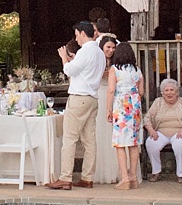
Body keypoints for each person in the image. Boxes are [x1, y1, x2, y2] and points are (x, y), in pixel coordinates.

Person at [51, 22, 105, 190]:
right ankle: (87, 177)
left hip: (79, 97)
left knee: (70, 138)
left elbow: (69, 71)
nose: (76, 39)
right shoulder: (99, 52)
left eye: (77, 35)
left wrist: (64, 59)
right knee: (89, 140)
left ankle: (65, 177)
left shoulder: (85, 51)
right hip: (92, 98)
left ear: (83, 33)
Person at [142, 78, 182, 180]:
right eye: (166, 90)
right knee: (151, 143)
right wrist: (151, 130)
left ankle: (181, 174)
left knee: (181, 144)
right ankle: (156, 172)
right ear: (162, 93)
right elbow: (147, 118)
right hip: (160, 133)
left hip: (180, 133)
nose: (169, 93)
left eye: (172, 90)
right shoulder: (158, 102)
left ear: (177, 92)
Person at [109, 42, 143, 190]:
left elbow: (111, 90)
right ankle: (133, 177)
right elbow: (141, 92)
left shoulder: (115, 69)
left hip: (121, 106)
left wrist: (108, 109)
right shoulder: (137, 70)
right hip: (135, 107)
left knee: (120, 143)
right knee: (133, 142)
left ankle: (124, 178)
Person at [93, 33, 120, 184]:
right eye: (108, 47)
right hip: (100, 94)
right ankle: (102, 170)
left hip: (113, 97)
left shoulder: (117, 63)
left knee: (113, 132)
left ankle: (117, 170)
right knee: (100, 132)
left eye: (113, 48)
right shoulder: (97, 61)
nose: (110, 50)